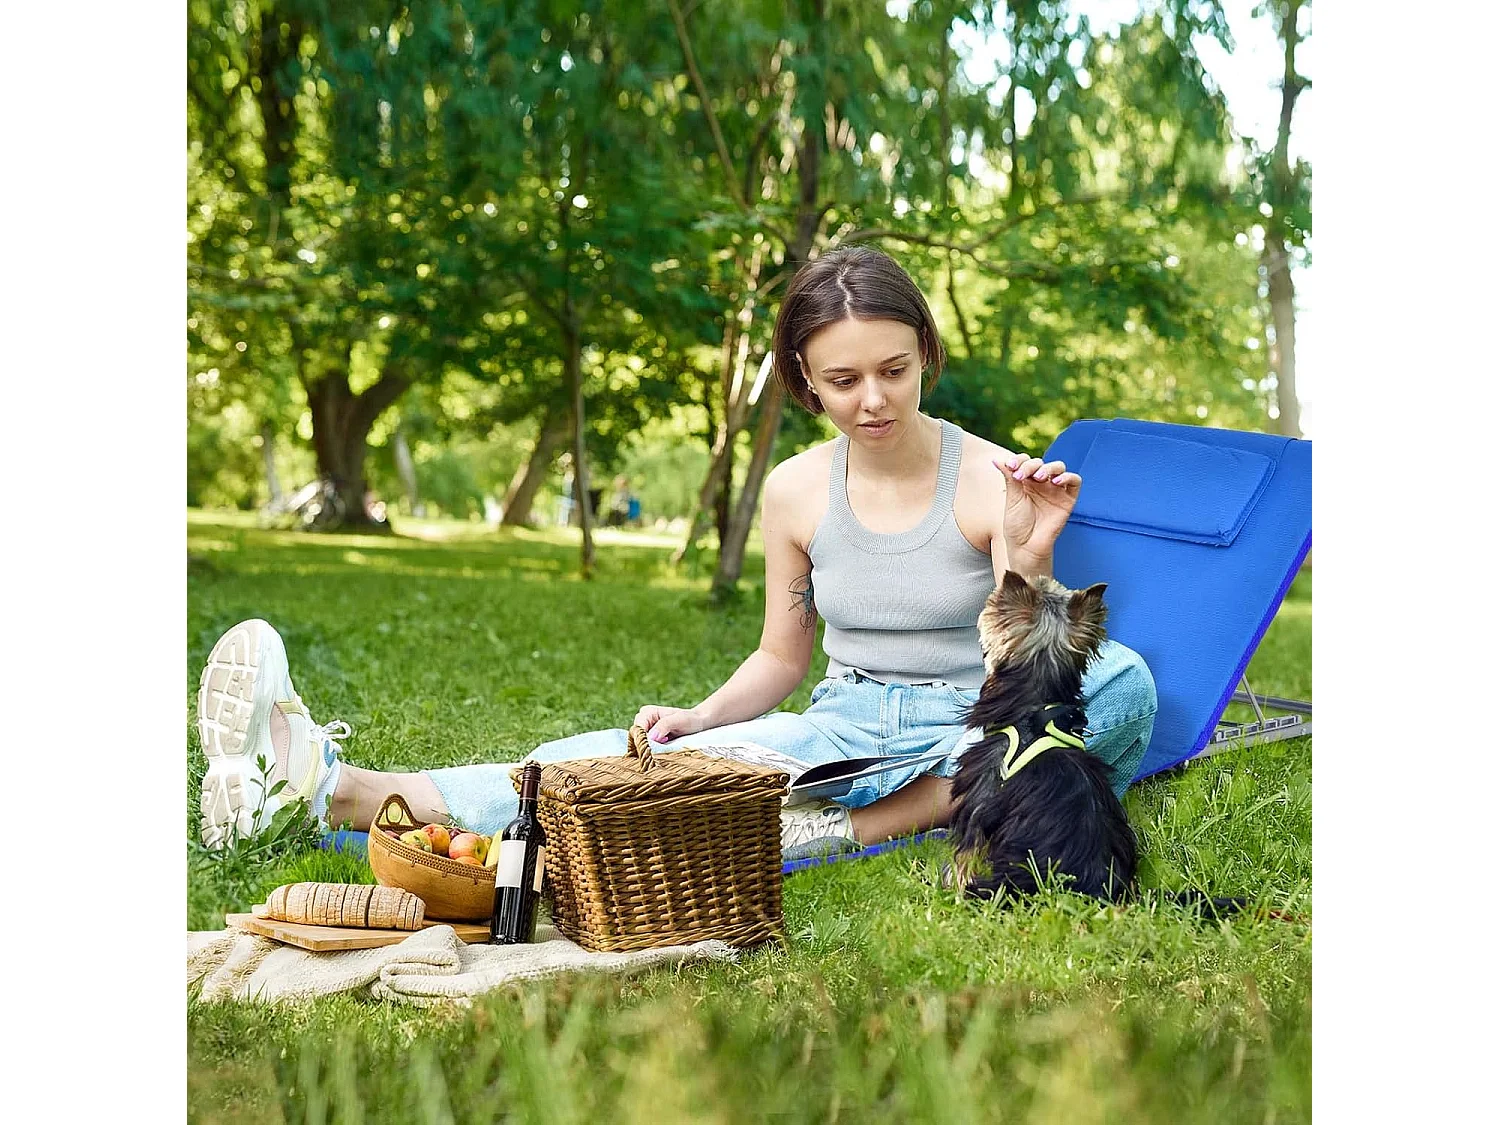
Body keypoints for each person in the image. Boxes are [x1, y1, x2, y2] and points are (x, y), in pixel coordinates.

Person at [194, 247, 1157, 861]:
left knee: (1125, 685)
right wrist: (697, 720)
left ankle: (884, 820)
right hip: (846, 726)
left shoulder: (991, 476)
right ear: (803, 379)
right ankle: (330, 788)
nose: (873, 399)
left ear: (925, 355)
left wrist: (1030, 555)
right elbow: (782, 655)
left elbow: (1024, 678)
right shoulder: (794, 491)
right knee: (632, 767)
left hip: (969, 725)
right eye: (843, 379)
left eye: (894, 370)